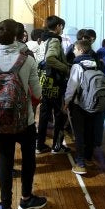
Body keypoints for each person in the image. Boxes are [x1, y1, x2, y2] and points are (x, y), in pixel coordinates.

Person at [0, 19, 46, 209]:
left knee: (5, 161)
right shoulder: (28, 60)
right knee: (28, 159)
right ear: (18, 36)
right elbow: (38, 93)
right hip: (25, 120)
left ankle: (5, 207)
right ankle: (26, 199)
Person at [64, 40, 101, 175]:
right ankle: (88, 158)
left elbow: (72, 86)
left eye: (74, 49)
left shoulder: (77, 65)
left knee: (79, 134)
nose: (73, 51)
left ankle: (80, 163)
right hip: (93, 103)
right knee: (90, 131)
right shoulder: (95, 63)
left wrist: (66, 101)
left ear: (80, 50)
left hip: (79, 104)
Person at [36, 15, 71, 154]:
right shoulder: (55, 40)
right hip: (54, 83)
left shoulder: (43, 39)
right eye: (61, 26)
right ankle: (57, 146)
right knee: (59, 114)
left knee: (44, 114)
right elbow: (50, 59)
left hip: (44, 81)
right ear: (57, 27)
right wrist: (66, 68)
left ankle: (40, 145)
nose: (62, 29)